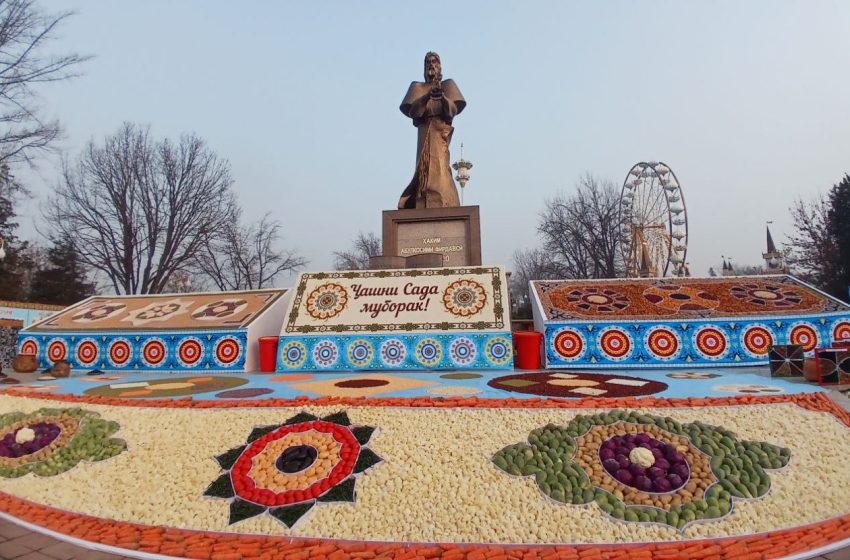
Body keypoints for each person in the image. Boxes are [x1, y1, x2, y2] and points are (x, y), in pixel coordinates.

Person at [397, 52, 466, 209]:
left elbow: (451, 112)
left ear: (440, 66)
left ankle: (447, 202)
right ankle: (421, 200)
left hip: (440, 134)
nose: (431, 64)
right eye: (428, 62)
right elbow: (414, 112)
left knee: (441, 169)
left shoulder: (448, 85)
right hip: (424, 133)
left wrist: (442, 97)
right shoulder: (417, 87)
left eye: (435, 61)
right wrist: (426, 96)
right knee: (423, 170)